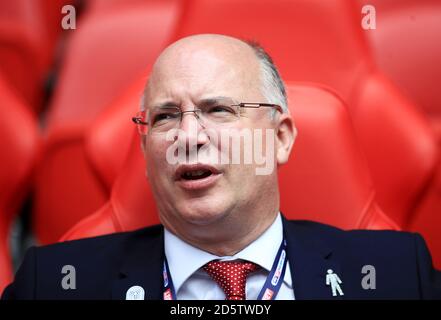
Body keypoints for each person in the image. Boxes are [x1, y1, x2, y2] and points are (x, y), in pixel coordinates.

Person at [2, 34, 441, 300]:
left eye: (218, 110)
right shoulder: (57, 284)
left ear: (280, 138)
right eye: (166, 116)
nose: (188, 138)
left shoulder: (398, 275)